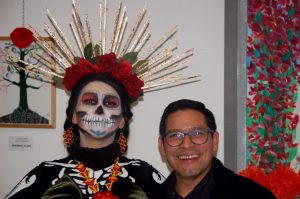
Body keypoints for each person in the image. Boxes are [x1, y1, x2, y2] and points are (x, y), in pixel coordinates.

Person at [5, 53, 164, 199]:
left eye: (110, 103)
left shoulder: (143, 174)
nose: (100, 110)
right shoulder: (46, 174)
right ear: (73, 115)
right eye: (90, 101)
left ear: (122, 119)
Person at [158, 99, 276, 199]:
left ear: (215, 141)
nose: (187, 145)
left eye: (198, 133)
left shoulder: (255, 195)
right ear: (162, 146)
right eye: (175, 135)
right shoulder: (149, 195)